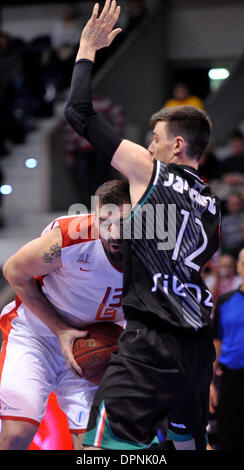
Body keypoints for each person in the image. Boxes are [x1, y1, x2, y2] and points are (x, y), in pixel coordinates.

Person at [64, 0, 221, 451]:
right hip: (196, 347)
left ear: (175, 144)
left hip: (152, 341)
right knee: (187, 445)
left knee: (102, 450)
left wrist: (87, 50)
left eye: (152, 140)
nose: (146, 149)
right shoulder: (212, 204)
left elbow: (79, 113)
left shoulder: (151, 171)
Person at [0, 178, 130, 450]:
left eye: (124, 222)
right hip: (37, 336)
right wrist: (60, 328)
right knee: (15, 435)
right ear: (96, 217)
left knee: (94, 447)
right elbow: (13, 271)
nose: (115, 232)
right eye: (107, 222)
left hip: (93, 346)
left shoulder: (154, 252)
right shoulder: (70, 238)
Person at [210, 248, 244, 450]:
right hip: (230, 380)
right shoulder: (225, 301)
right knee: (229, 439)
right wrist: (210, 383)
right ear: (239, 267)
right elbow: (216, 344)